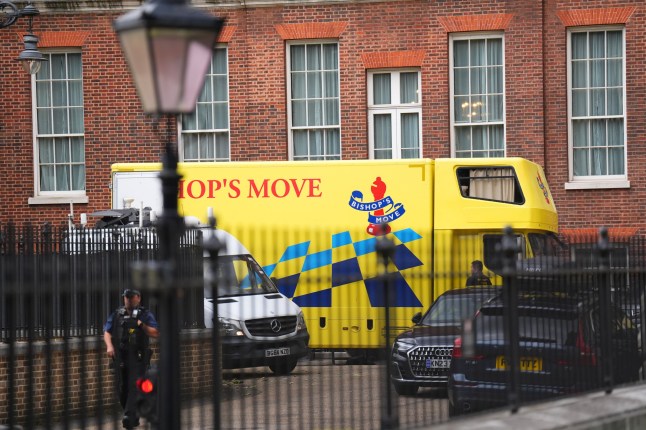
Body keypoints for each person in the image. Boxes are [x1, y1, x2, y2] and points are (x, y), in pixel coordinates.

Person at [104, 289, 159, 429]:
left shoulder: (145, 314)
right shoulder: (117, 314)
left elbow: (155, 332)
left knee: (135, 387)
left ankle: (128, 416)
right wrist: (109, 346)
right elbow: (107, 331)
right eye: (126, 297)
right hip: (121, 356)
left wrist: (141, 325)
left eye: (131, 297)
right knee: (122, 389)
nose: (128, 299)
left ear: (138, 298)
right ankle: (133, 416)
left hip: (138, 357)